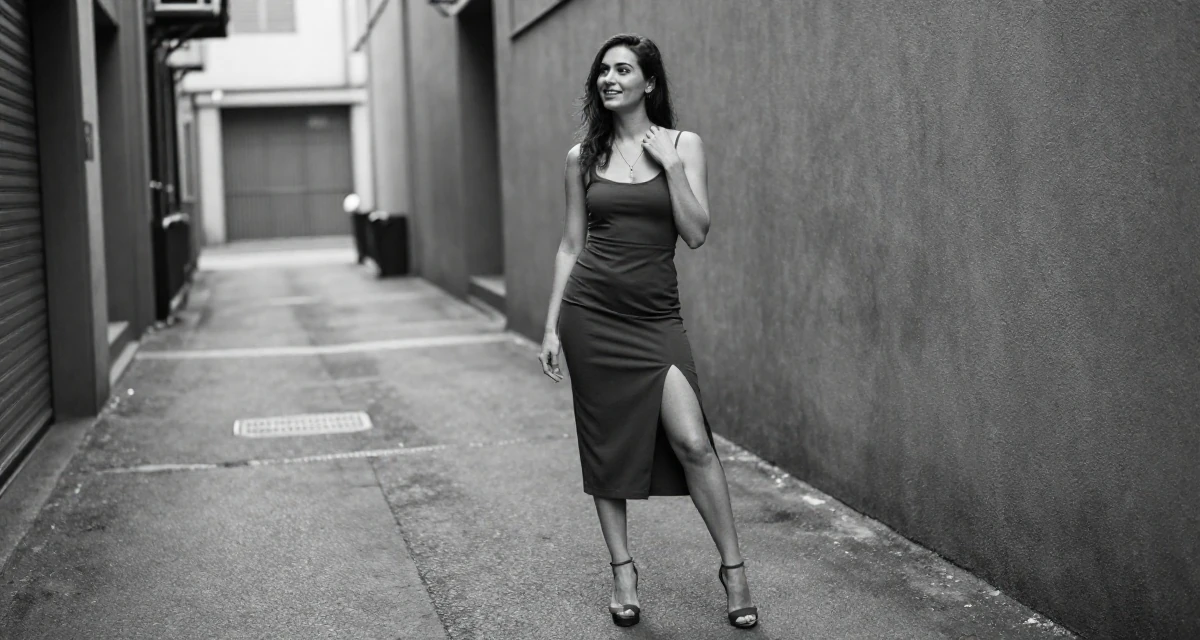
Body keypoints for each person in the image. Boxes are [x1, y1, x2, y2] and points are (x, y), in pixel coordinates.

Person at [537, 33, 759, 630]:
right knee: (605, 445)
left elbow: (696, 231)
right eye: (603, 71)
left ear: (649, 82)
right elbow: (570, 244)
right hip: (591, 316)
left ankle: (733, 570)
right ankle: (624, 572)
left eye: (623, 69)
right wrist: (553, 325)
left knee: (692, 441)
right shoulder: (581, 156)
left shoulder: (684, 144)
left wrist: (669, 167)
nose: (609, 78)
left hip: (656, 319)